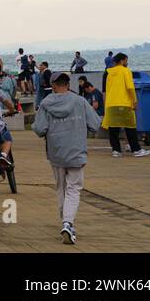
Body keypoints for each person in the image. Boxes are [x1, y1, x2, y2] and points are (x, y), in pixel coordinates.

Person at [34, 72, 101, 245]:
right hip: (76, 151)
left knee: (61, 189)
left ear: (54, 86)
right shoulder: (80, 101)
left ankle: (66, 223)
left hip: (56, 153)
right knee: (74, 189)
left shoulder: (45, 103)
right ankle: (68, 223)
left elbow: (39, 129)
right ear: (68, 84)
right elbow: (95, 124)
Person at [101, 53, 150, 158]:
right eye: (126, 60)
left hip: (111, 104)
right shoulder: (126, 71)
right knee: (130, 127)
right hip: (124, 103)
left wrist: (107, 104)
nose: (127, 62)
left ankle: (116, 151)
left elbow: (107, 90)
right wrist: (134, 101)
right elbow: (130, 88)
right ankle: (136, 150)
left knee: (113, 129)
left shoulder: (109, 73)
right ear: (122, 61)